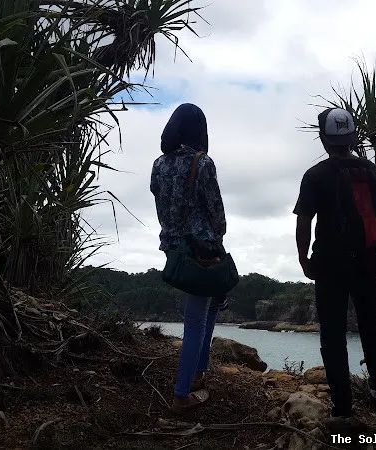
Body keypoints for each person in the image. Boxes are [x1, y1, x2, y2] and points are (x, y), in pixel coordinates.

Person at [293, 107, 376, 418]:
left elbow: (304, 222)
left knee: (333, 333)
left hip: (330, 264)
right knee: (371, 325)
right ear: (353, 138)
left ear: (323, 139)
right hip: (369, 262)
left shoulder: (315, 176)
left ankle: (342, 407)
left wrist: (304, 259)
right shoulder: (375, 174)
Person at [150, 103, 228, 414]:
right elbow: (216, 212)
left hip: (173, 248)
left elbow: (159, 201)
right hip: (201, 250)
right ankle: (182, 394)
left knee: (212, 305)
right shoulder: (203, 163)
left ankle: (199, 373)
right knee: (196, 320)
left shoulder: (158, 164)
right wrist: (217, 238)